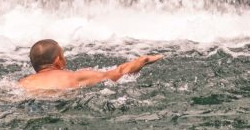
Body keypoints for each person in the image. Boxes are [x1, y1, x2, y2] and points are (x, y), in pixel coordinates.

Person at [18, 38, 163, 92]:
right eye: (63, 56)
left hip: (28, 99)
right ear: (57, 61)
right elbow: (118, 73)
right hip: (56, 99)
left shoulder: (23, 83)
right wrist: (143, 60)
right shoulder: (75, 77)